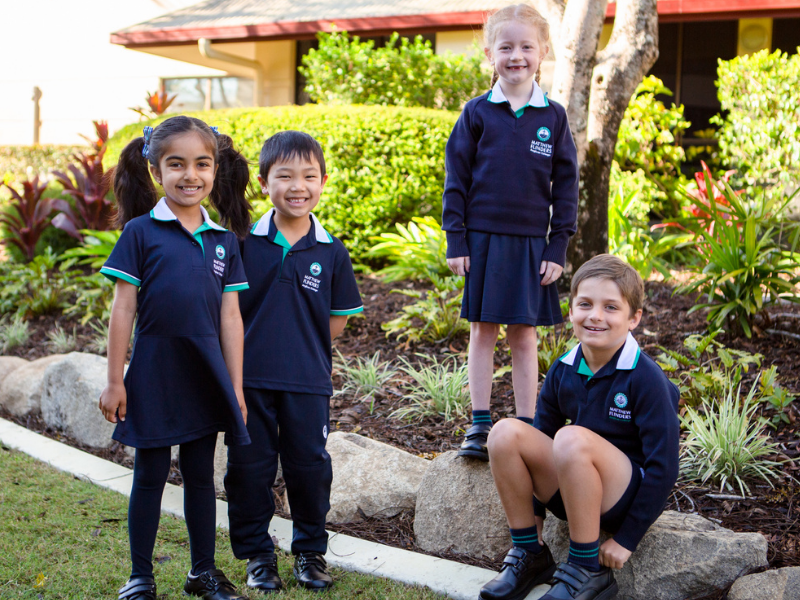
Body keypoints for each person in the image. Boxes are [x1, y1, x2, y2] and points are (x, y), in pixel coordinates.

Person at [98, 116, 253, 600]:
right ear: (155, 170)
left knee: (201, 478)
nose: (191, 175)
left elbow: (231, 319)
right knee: (148, 474)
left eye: (202, 164)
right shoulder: (141, 233)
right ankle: (140, 576)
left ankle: (202, 572)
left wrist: (237, 387)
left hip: (205, 377)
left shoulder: (224, 241)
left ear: (214, 168)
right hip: (154, 373)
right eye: (176, 164)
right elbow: (123, 308)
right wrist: (115, 380)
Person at [479, 254, 680, 600]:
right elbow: (537, 442)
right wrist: (536, 512)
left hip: (622, 497)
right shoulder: (563, 369)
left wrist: (627, 538)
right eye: (584, 304)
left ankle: (586, 569)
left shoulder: (646, 378)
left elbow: (664, 467)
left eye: (611, 307)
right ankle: (530, 552)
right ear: (571, 311)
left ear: (634, 318)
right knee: (504, 433)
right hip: (573, 490)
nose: (596, 316)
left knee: (570, 437)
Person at [225, 131, 363, 593]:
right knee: (249, 470)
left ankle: (309, 551)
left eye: (308, 176)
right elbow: (226, 311)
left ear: (323, 181)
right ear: (265, 182)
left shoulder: (331, 251)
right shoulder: (243, 241)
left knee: (309, 468)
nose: (297, 186)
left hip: (307, 382)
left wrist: (299, 346)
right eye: (284, 176)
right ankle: (257, 556)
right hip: (249, 381)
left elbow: (338, 320)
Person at [442, 3, 579, 461]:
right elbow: (456, 181)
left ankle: (526, 424)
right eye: (506, 47)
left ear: (543, 53)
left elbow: (566, 188)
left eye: (526, 46)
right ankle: (479, 424)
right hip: (481, 240)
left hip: (530, 246)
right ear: (489, 53)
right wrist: (456, 239)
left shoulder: (553, 118)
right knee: (483, 332)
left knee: (524, 335)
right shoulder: (477, 113)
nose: (516, 55)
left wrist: (556, 245)